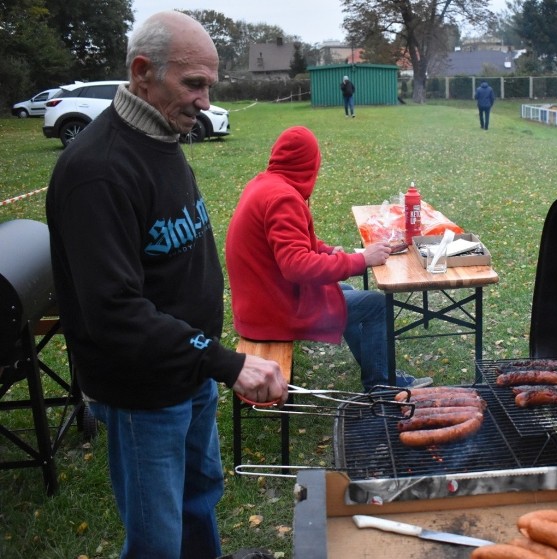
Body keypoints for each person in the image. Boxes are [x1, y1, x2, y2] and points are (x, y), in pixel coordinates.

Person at [45, 11, 288, 559]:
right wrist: (228, 363)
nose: (205, 100)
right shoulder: (98, 171)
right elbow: (114, 312)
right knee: (157, 536)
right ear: (141, 73)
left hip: (192, 371)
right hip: (143, 391)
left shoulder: (162, 134)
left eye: (210, 85)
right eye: (193, 84)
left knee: (199, 497)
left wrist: (209, 361)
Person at [225, 126, 433, 391]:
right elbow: (296, 266)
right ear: (310, 164)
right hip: (272, 311)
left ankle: (378, 369)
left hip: (261, 301)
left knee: (341, 291)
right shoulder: (283, 198)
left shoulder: (264, 184)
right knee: (376, 305)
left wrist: (325, 251)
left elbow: (289, 244)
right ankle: (382, 385)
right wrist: (361, 261)